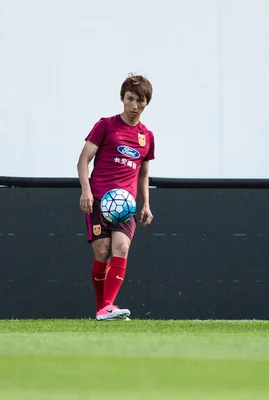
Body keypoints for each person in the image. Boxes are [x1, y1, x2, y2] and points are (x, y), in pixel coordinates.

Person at [77, 74, 155, 321]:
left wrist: (146, 204)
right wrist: (86, 191)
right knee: (103, 251)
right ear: (122, 98)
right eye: (130, 99)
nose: (134, 106)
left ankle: (107, 306)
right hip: (100, 198)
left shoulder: (147, 137)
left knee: (121, 247)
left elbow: (143, 174)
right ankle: (104, 308)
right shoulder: (106, 126)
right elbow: (83, 160)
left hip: (126, 204)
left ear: (146, 103)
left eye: (140, 101)